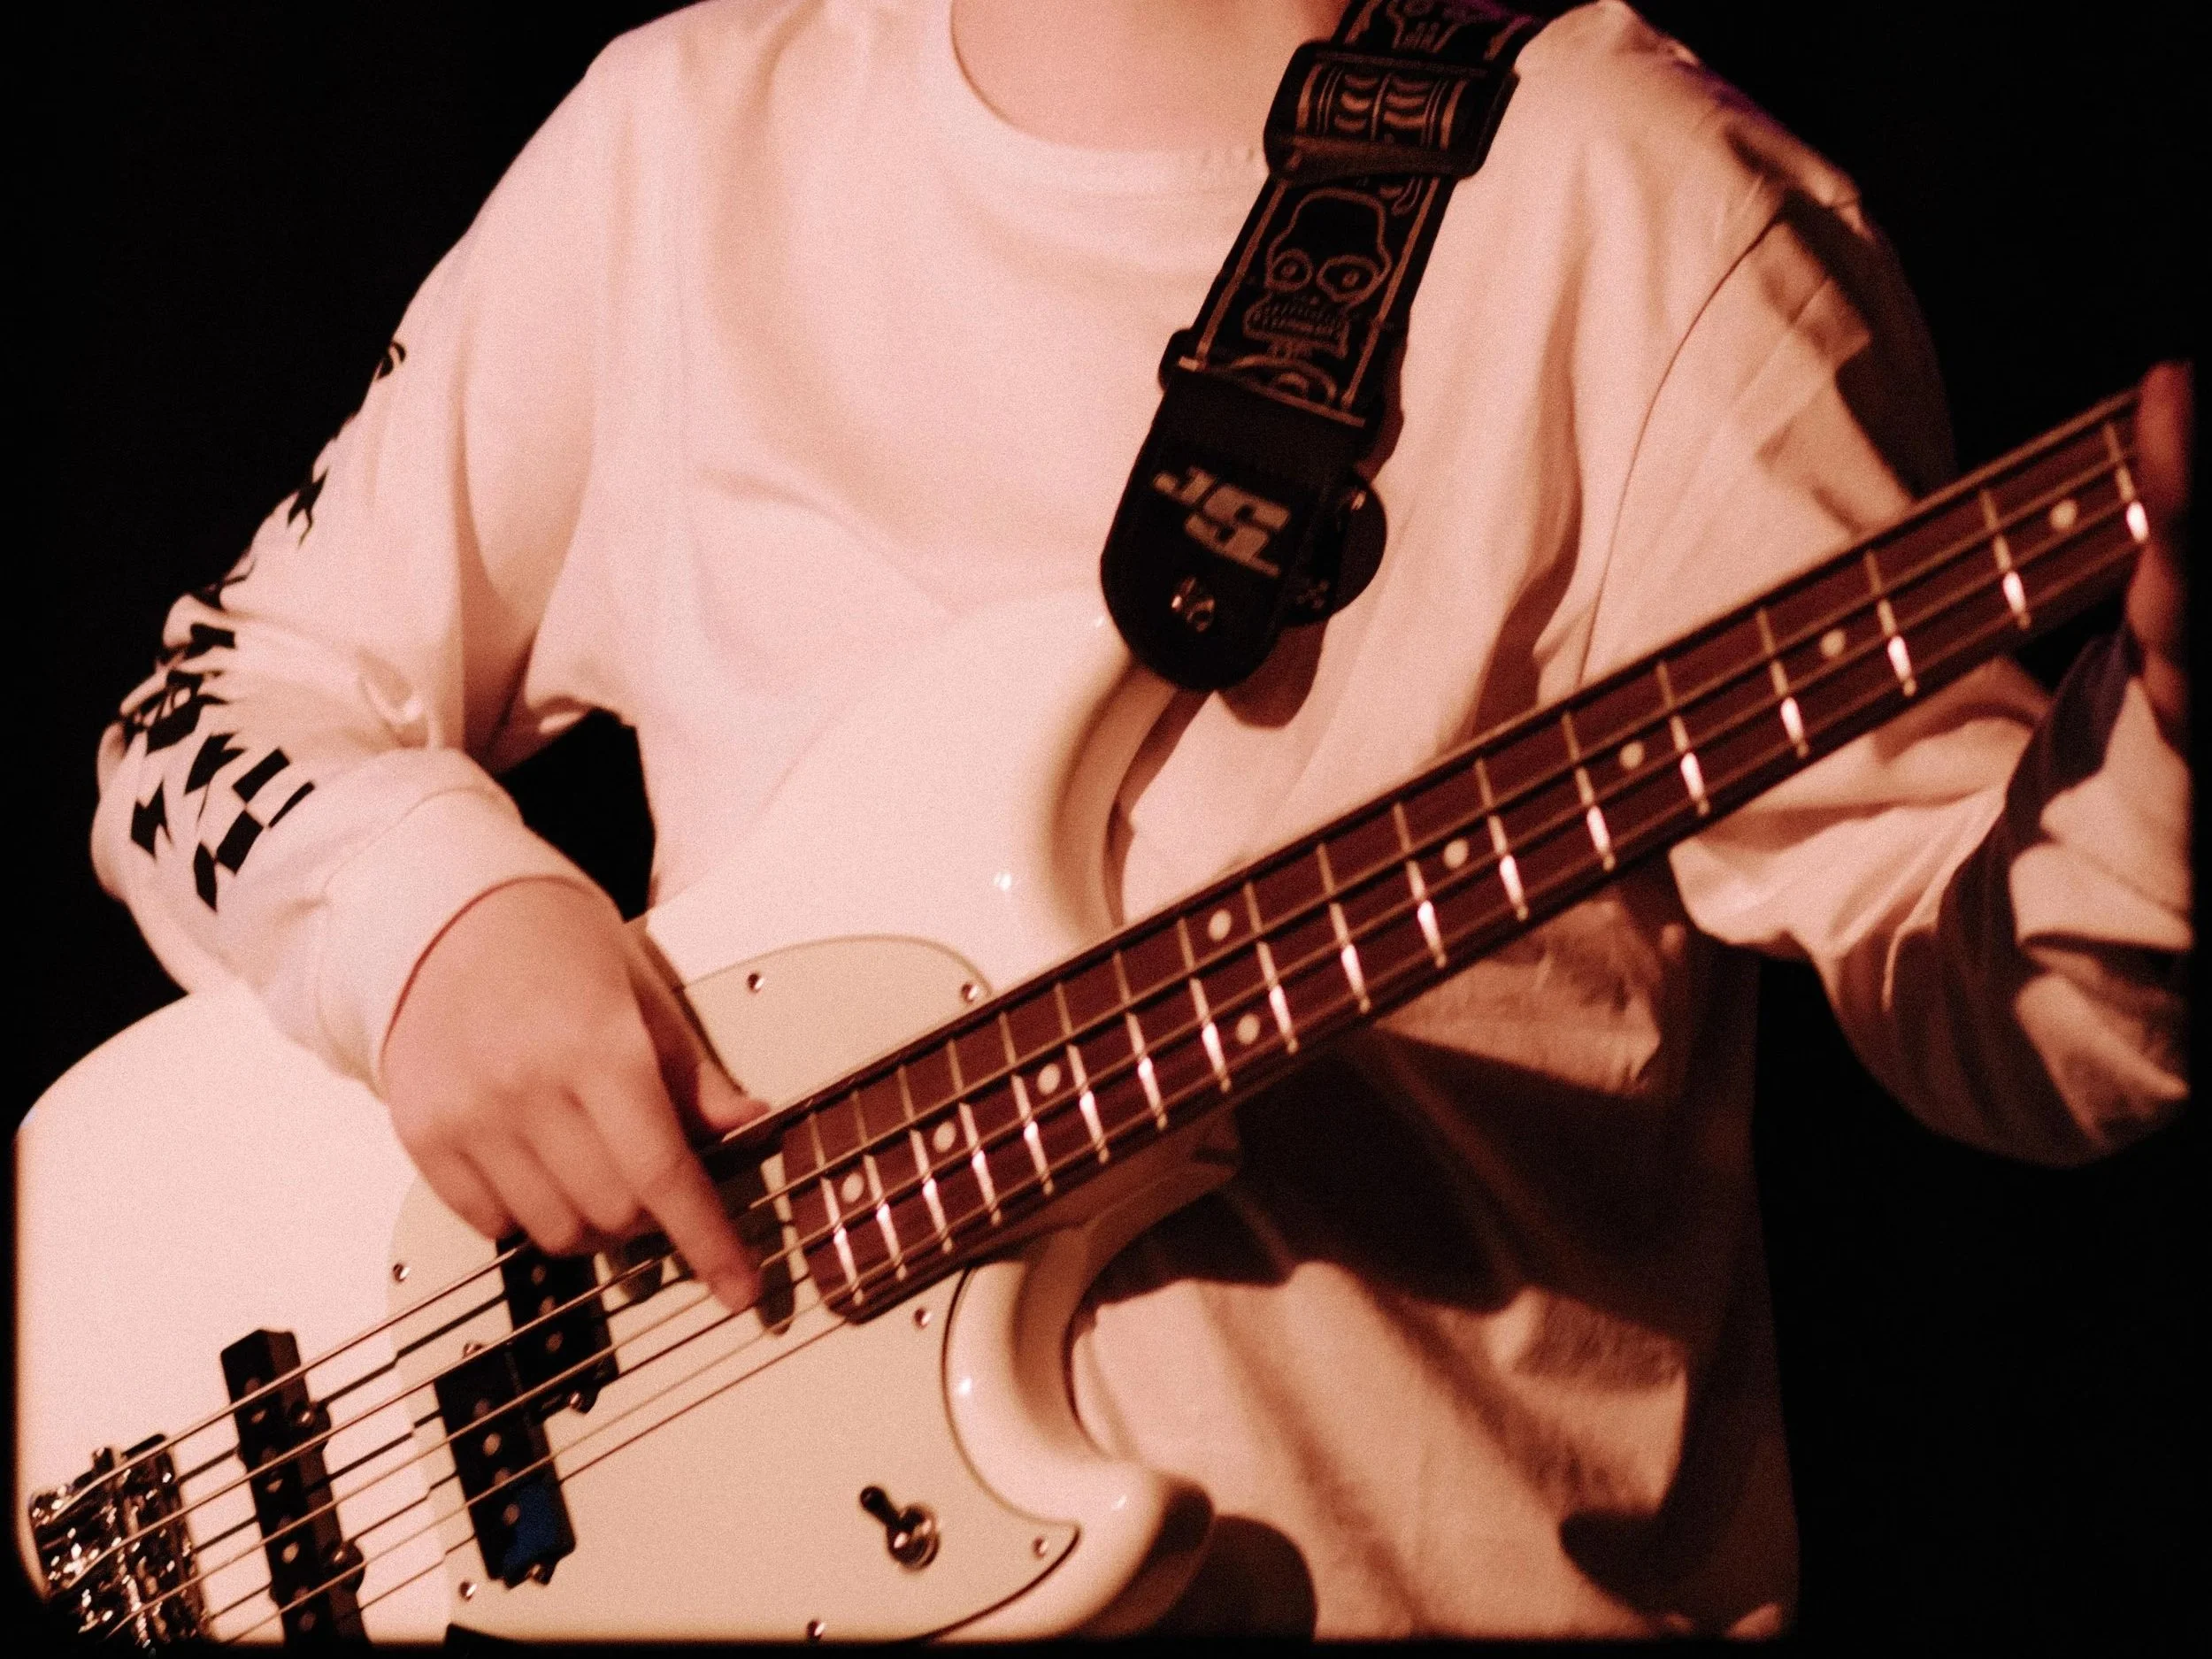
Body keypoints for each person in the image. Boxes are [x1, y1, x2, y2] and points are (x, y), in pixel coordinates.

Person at [86, 0, 2189, 1638]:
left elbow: (2033, 1016)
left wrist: (2172, 741)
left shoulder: (1639, 218)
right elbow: (203, 716)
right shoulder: (681, 145)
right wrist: (436, 926)